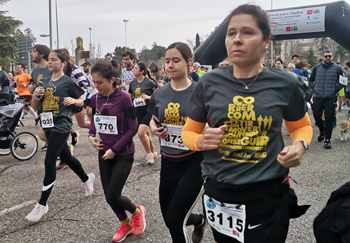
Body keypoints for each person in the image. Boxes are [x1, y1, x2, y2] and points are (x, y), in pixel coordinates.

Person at [182, 4, 313, 243]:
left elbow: (300, 126)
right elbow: (188, 132)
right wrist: (200, 140)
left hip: (267, 193)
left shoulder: (286, 83)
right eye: (231, 33)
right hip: (220, 192)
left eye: (247, 32)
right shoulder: (208, 83)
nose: (237, 40)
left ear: (266, 40)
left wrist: (300, 145)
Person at [26, 49, 95, 222]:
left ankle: (42, 204)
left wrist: (74, 101)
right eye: (48, 59)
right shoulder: (44, 81)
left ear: (62, 63)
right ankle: (87, 179)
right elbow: (35, 107)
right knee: (68, 157)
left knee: (49, 160)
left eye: (53, 60)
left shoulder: (69, 82)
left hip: (62, 124)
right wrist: (35, 96)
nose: (49, 62)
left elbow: (82, 100)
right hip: (47, 124)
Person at [148, 42, 206, 243]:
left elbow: (213, 122)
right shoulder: (159, 93)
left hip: (194, 162)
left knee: (175, 222)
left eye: (175, 60)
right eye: (167, 61)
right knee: (168, 216)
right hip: (168, 161)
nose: (170, 65)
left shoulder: (201, 91)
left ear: (189, 63)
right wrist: (153, 128)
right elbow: (153, 118)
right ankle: (199, 221)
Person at [88, 60, 146, 242]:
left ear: (112, 80)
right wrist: (90, 135)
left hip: (123, 152)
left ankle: (137, 212)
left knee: (114, 193)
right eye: (94, 83)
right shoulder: (94, 98)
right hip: (104, 151)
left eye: (100, 83)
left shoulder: (124, 98)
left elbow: (133, 128)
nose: (97, 87)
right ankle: (125, 223)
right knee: (109, 196)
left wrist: (115, 148)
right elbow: (94, 120)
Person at [309, 51, 347, 149]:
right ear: (322, 57)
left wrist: (335, 90)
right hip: (318, 96)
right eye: (326, 56)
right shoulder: (316, 68)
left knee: (329, 118)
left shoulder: (338, 68)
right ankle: (322, 130)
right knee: (317, 116)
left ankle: (327, 140)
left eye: (329, 56)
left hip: (330, 97)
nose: (328, 58)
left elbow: (344, 82)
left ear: (332, 57)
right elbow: (310, 80)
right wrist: (314, 87)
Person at [128, 63, 158, 164]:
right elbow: (129, 95)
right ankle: (153, 151)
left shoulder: (150, 83)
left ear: (142, 71)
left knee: (141, 133)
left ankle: (149, 154)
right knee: (145, 134)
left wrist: (148, 97)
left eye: (136, 69)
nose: (133, 70)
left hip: (148, 111)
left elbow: (158, 96)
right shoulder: (132, 83)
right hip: (137, 111)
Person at [30, 44, 52, 150]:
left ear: (42, 54)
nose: (31, 54)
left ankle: (63, 152)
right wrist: (32, 90)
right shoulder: (34, 72)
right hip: (42, 108)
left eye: (34, 51)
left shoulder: (52, 67)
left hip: (55, 105)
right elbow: (35, 87)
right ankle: (64, 149)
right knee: (43, 135)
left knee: (56, 132)